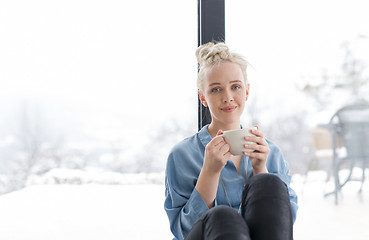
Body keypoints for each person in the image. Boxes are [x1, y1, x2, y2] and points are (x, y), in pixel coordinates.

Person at [164, 42, 298, 240]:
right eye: (216, 90)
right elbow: (182, 230)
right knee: (221, 216)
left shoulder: (270, 152)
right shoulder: (182, 155)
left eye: (235, 87)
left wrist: (261, 168)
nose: (227, 97)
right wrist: (210, 171)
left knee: (268, 181)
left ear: (246, 91)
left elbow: (285, 224)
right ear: (203, 97)